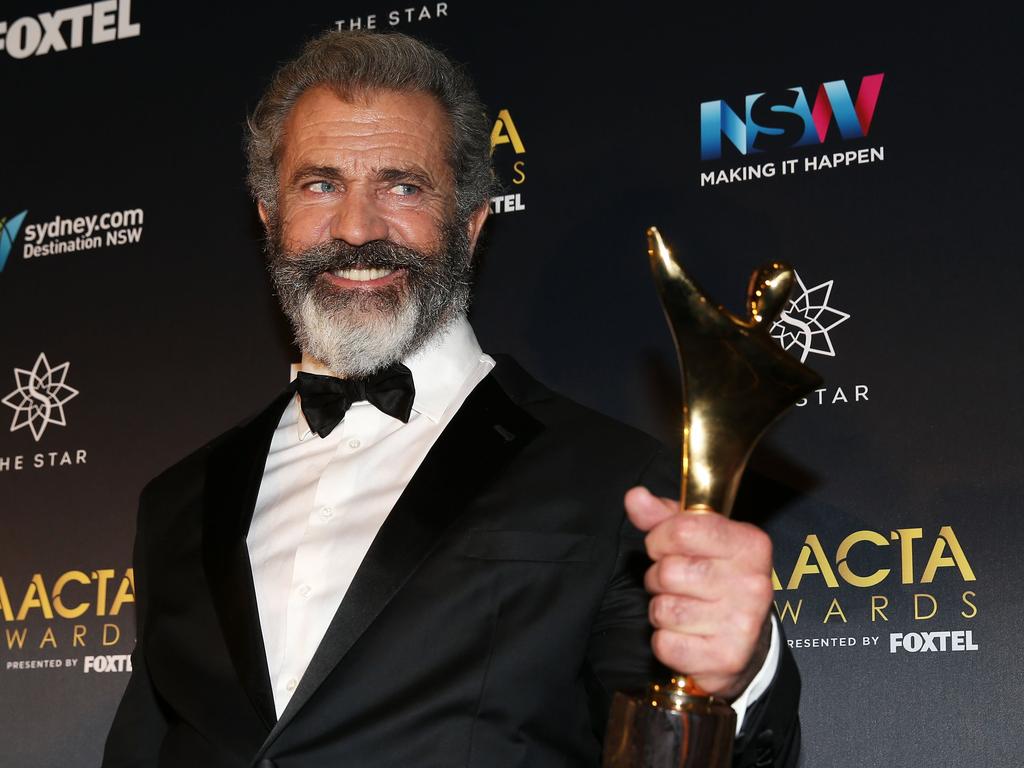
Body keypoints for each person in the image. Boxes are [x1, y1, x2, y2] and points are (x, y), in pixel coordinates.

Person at [102, 30, 799, 768]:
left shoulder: (613, 482)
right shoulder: (179, 500)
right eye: (320, 185)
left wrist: (737, 677)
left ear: (469, 225)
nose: (356, 228)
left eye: (403, 186)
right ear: (271, 222)